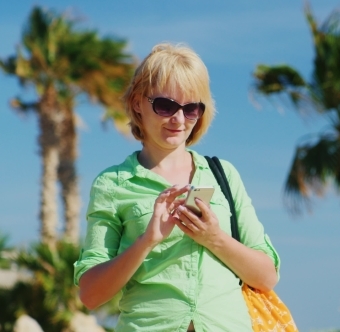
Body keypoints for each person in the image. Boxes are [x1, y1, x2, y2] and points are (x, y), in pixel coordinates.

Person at [74, 43, 280, 332]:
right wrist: (147, 240)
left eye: (191, 108)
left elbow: (267, 276)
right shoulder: (112, 184)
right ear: (137, 103)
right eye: (165, 105)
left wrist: (213, 237)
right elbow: (91, 294)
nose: (179, 119)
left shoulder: (224, 175)